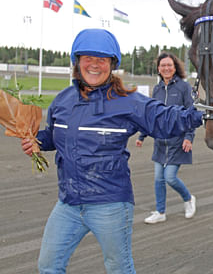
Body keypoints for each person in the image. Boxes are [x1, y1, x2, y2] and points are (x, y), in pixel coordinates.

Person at [20, 29, 203, 274]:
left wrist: (201, 114)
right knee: (48, 265)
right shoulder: (62, 100)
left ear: (111, 65)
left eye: (102, 60)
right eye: (88, 58)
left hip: (110, 204)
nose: (94, 65)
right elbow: (54, 134)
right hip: (68, 204)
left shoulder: (127, 101)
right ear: (77, 62)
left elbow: (166, 119)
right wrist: (37, 142)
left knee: (119, 269)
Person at [136, 52, 196, 223]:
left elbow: (192, 113)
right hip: (160, 143)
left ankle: (188, 199)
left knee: (170, 177)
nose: (166, 68)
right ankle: (160, 212)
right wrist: (142, 135)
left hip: (178, 141)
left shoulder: (184, 87)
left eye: (169, 65)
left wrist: (189, 137)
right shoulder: (157, 89)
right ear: (159, 69)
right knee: (158, 179)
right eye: (163, 65)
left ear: (175, 67)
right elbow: (151, 115)